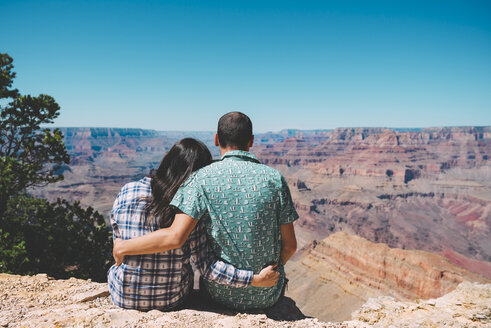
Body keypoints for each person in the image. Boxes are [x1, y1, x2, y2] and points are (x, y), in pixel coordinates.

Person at [113, 112, 298, 310]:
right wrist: (266, 274)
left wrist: (123, 247)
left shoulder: (197, 180)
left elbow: (172, 235)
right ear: (251, 141)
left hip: (212, 295)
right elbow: (289, 247)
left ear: (216, 139)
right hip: (265, 295)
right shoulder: (275, 179)